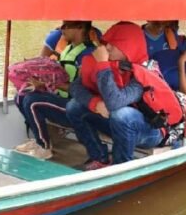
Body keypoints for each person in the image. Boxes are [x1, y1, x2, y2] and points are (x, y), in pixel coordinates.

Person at [66, 22, 171, 170]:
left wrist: (102, 64)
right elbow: (75, 87)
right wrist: (94, 103)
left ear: (129, 47)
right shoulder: (115, 63)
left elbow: (115, 102)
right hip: (118, 125)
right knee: (74, 106)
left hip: (150, 131)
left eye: (113, 45)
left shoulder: (144, 72)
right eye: (107, 43)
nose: (107, 48)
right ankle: (99, 157)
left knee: (121, 113)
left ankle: (121, 166)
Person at [14, 21, 96, 159]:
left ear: (80, 27)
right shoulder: (68, 49)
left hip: (78, 108)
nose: (61, 28)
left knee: (33, 101)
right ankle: (38, 141)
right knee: (21, 96)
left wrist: (48, 83)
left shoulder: (88, 54)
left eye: (66, 25)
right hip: (62, 99)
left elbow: (83, 90)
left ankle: (44, 147)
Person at [142, 21, 186, 90]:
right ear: (148, 19)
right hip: (152, 85)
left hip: (177, 87)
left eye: (164, 22)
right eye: (157, 23)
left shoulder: (172, 35)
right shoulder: (139, 37)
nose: (161, 25)